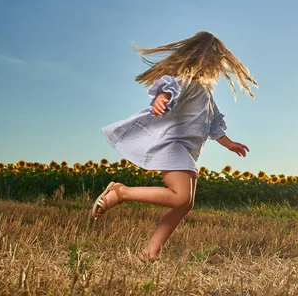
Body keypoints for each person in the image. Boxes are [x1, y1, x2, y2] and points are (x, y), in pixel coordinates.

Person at [92, 31, 257, 262]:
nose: (217, 66)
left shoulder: (206, 93)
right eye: (215, 59)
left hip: (187, 152)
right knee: (180, 198)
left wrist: (229, 143)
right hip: (172, 145)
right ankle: (120, 192)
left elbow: (214, 124)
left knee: (185, 204)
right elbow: (170, 87)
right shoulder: (187, 82)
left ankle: (150, 253)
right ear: (201, 57)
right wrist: (161, 98)